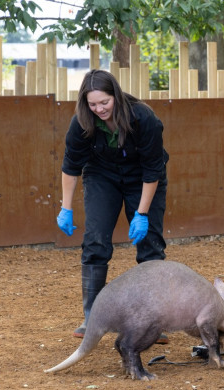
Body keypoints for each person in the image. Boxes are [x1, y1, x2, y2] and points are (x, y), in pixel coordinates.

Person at [56, 69, 170, 344]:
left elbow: (152, 170)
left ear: (115, 96)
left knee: (150, 245)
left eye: (104, 102)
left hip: (142, 178)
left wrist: (141, 213)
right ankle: (93, 317)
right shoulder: (82, 122)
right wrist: (66, 207)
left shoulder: (143, 118)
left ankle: (151, 321)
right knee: (95, 242)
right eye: (92, 104)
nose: (99, 109)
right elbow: (71, 167)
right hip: (101, 175)